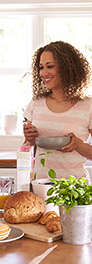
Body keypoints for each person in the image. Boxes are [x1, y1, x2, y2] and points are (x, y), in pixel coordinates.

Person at [23, 41, 92, 181]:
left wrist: (78, 144)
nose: (43, 73)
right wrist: (29, 141)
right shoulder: (36, 103)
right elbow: (27, 152)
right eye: (41, 67)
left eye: (50, 66)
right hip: (41, 186)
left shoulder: (88, 105)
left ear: (67, 68)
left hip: (74, 190)